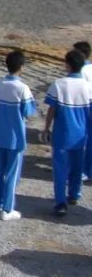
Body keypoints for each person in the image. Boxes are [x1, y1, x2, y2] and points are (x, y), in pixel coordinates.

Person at [0, 50, 37, 220]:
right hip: (15, 138)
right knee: (12, 174)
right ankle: (7, 209)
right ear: (21, 67)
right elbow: (29, 112)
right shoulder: (22, 88)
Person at [44, 49, 92, 217]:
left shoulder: (58, 84)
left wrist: (46, 128)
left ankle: (60, 202)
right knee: (77, 166)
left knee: (60, 168)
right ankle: (74, 195)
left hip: (62, 134)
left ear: (67, 65)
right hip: (81, 134)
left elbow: (51, 109)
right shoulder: (88, 86)